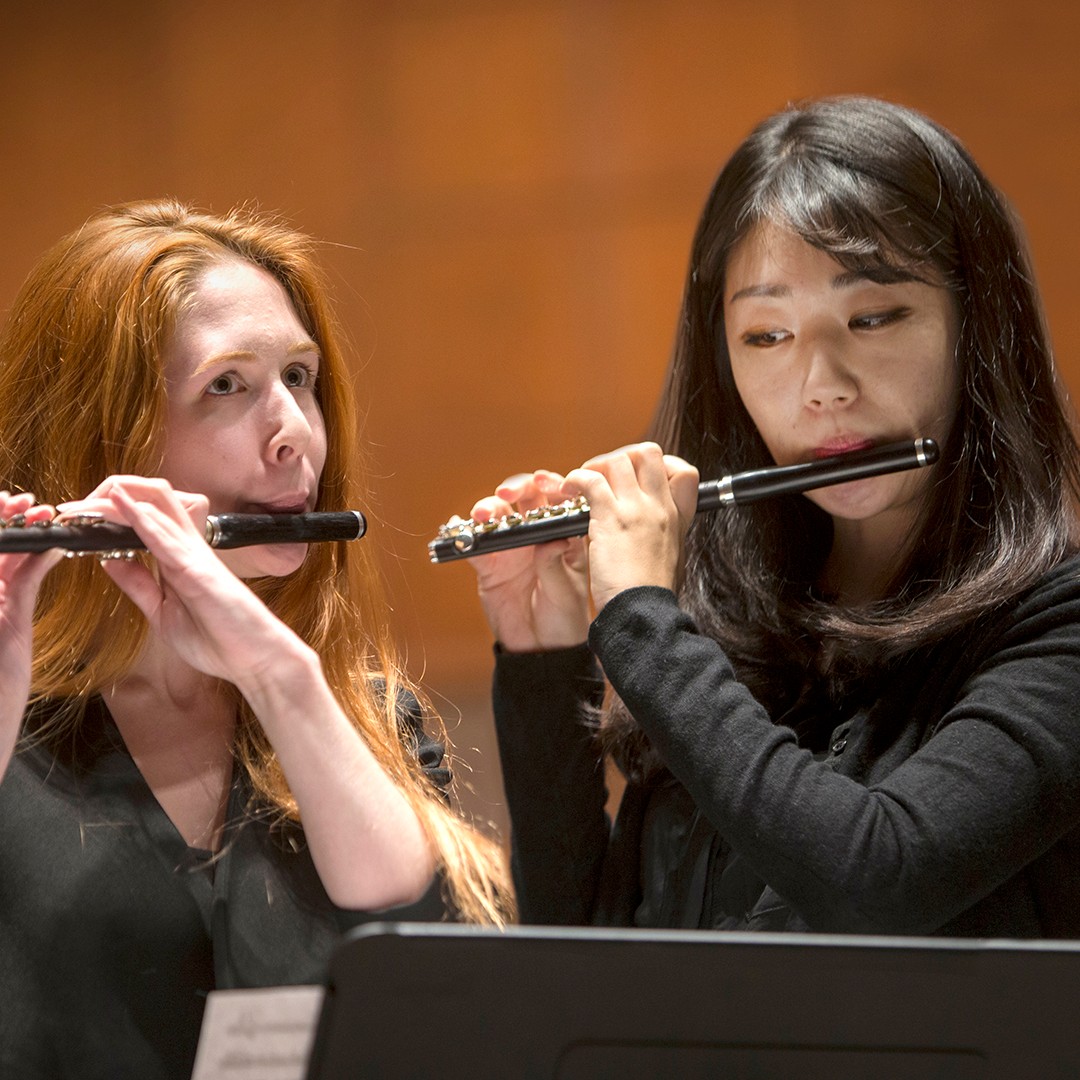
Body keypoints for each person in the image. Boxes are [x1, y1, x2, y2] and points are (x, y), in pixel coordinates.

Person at [468, 95, 1080, 936]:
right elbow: (589, 957)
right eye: (766, 336)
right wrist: (545, 657)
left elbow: (877, 877)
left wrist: (644, 624)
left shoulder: (1059, 628)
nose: (821, 384)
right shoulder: (734, 633)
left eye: (872, 317)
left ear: (975, 327)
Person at [0, 199, 512, 1080]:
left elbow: (432, 954)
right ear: (102, 436)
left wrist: (281, 674)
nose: (295, 435)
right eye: (227, 386)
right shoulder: (19, 729)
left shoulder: (354, 717)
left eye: (301, 379)